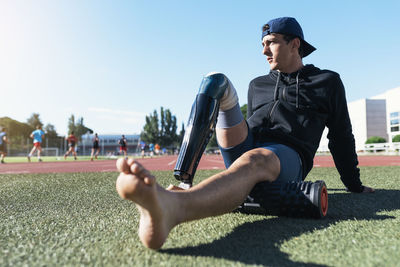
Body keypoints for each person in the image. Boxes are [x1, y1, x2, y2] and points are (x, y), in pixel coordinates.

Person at [115, 17, 374, 250]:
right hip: (247, 142)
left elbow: (341, 135)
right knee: (215, 81)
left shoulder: (327, 81)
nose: (263, 51)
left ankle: (175, 208)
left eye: (271, 43)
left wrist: (353, 184)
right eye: (262, 44)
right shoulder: (257, 84)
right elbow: (246, 123)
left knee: (255, 160)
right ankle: (184, 182)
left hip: (287, 155)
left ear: (295, 44)